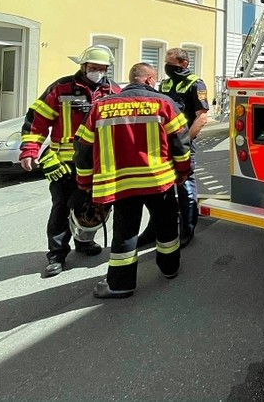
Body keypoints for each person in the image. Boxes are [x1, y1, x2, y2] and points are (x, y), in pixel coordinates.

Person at [74, 63, 192, 299]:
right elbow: (181, 142)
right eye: (155, 78)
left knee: (125, 233)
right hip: (158, 181)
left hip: (121, 183)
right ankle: (170, 269)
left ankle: (121, 285)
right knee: (167, 226)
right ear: (148, 80)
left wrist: (84, 182)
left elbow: (83, 147)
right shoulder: (163, 103)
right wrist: (183, 172)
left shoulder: (101, 106)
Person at [20, 45, 121, 277]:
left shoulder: (113, 90)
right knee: (62, 207)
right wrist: (29, 151)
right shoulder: (61, 88)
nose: (98, 72)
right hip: (66, 164)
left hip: (98, 164)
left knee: (93, 206)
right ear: (83, 66)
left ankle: (84, 241)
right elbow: (36, 121)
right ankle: (56, 254)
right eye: (93, 67)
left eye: (102, 68)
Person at [137, 48, 209, 248]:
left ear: (184, 64)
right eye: (166, 64)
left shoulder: (196, 83)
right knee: (158, 187)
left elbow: (202, 117)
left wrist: (184, 141)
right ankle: (154, 228)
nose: (167, 67)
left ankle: (187, 228)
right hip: (162, 145)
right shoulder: (166, 83)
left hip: (183, 144)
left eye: (171, 64)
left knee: (185, 187)